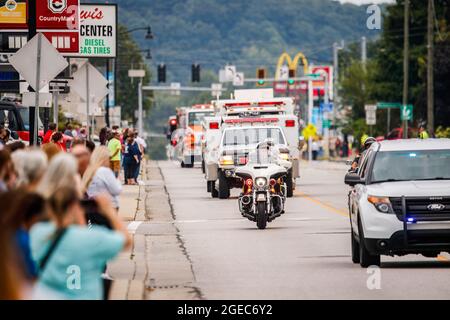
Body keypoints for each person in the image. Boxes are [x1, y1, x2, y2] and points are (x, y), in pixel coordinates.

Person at [30, 187, 132, 300]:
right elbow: (126, 240)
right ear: (74, 207)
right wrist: (108, 210)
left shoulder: (38, 232)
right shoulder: (91, 238)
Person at [82, 146, 122, 210]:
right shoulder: (104, 171)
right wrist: (118, 180)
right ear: (104, 158)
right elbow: (116, 190)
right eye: (109, 158)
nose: (110, 161)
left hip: (92, 209)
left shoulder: (89, 171)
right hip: (108, 208)